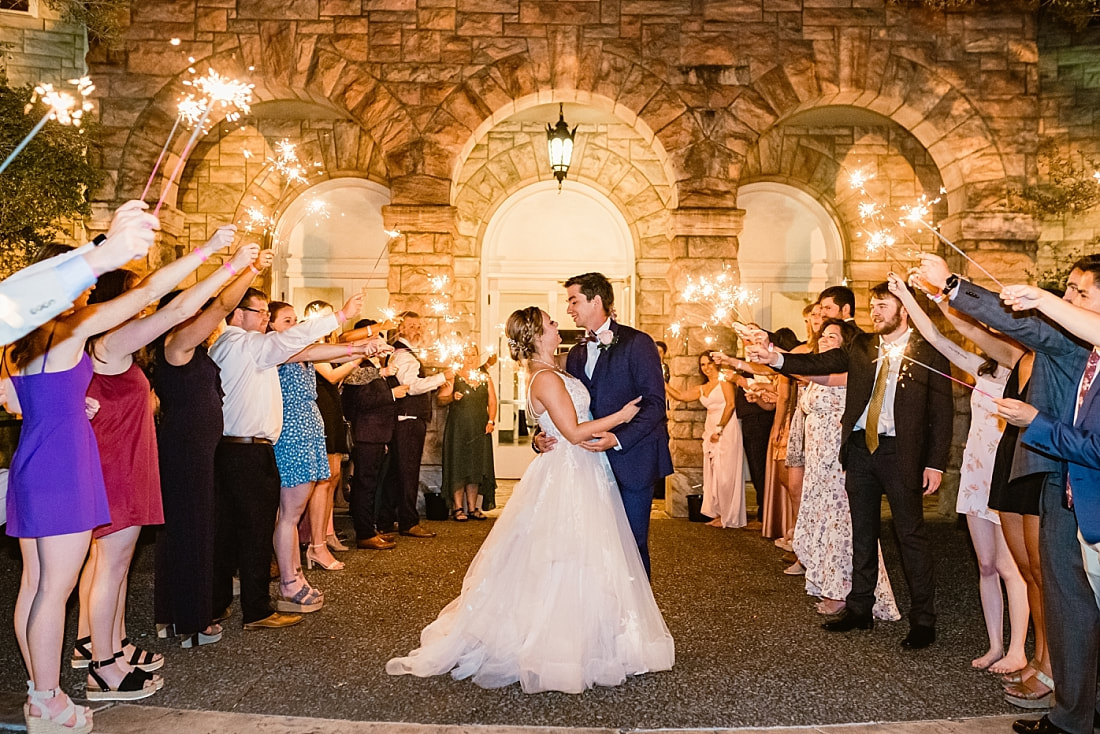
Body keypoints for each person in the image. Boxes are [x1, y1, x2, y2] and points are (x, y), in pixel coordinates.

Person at [386, 306, 674, 693]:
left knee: (590, 553)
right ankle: (561, 644)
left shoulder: (558, 367)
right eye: (552, 323)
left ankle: (599, 631)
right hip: (570, 473)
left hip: (584, 469)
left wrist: (541, 435)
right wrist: (621, 416)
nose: (560, 323)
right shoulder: (545, 376)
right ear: (538, 334)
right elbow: (572, 432)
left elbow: (550, 421)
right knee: (564, 554)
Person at [918, 253, 1098, 732]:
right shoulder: (1071, 341)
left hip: (1086, 484)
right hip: (1061, 487)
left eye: (1081, 292)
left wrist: (1035, 423)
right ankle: (1071, 718)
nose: (1067, 300)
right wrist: (950, 288)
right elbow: (1013, 325)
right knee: (1068, 607)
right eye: (1067, 289)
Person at [1, 203, 158, 734]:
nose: (86, 291)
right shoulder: (65, 333)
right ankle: (47, 703)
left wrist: (73, 403)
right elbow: (138, 303)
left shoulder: (16, 344)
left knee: (34, 585)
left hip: (31, 458)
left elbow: (18, 401)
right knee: (54, 590)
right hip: (62, 464)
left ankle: (37, 694)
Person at [70, 227, 243, 701]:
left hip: (121, 460)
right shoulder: (111, 342)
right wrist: (224, 263)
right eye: (133, 298)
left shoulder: (104, 343)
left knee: (112, 564)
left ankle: (109, 647)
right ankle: (103, 667)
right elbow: (178, 309)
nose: (141, 306)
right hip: (116, 465)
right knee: (112, 564)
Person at [747, 280, 953, 649]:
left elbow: (942, 411)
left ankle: (924, 620)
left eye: (883, 306)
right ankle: (860, 608)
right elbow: (820, 362)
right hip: (859, 447)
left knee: (910, 534)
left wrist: (935, 463)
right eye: (873, 306)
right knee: (862, 530)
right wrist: (776, 359)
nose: (874, 312)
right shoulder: (862, 345)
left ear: (904, 309)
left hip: (899, 451)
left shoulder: (927, 352)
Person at [208, 288, 380, 631]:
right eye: (259, 313)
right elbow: (300, 341)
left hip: (243, 447)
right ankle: (256, 610)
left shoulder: (244, 346)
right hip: (246, 448)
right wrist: (341, 317)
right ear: (238, 313)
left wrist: (356, 348)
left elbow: (309, 350)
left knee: (234, 529)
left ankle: (219, 602)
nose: (264, 320)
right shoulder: (244, 344)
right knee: (256, 530)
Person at [888, 273, 1030, 675]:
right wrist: (910, 295)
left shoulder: (1026, 372)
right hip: (975, 472)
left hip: (1005, 472)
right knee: (985, 564)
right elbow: (936, 337)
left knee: (1010, 566)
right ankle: (995, 645)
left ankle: (1019, 648)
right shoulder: (982, 368)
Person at [153, 248, 276, 649]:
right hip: (186, 450)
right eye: (197, 311)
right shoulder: (177, 344)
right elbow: (225, 303)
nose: (208, 318)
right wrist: (249, 267)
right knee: (191, 533)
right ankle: (190, 621)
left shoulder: (197, 350)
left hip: (203, 451)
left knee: (200, 532)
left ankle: (178, 614)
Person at [535, 272, 672, 577]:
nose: (569, 308)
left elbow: (654, 405)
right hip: (587, 468)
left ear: (596, 300)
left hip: (632, 458)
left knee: (632, 544)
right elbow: (567, 408)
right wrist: (539, 437)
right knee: (594, 546)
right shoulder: (575, 353)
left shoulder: (639, 343)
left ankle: (636, 622)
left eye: (574, 300)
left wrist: (617, 439)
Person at [268, 301, 391, 607]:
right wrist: (360, 347)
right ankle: (290, 579)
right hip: (292, 431)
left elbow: (327, 349)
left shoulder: (297, 346)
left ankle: (296, 571)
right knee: (289, 513)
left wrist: (364, 346)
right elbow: (322, 352)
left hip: (309, 428)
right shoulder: (278, 348)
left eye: (295, 320)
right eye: (286, 320)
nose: (294, 325)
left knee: (296, 509)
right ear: (270, 326)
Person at [792, 318, 900, 620]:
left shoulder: (847, 371)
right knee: (824, 524)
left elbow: (813, 374)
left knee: (842, 526)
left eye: (832, 336)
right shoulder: (819, 374)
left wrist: (772, 356)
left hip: (837, 460)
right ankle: (828, 583)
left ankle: (842, 592)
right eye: (822, 335)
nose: (825, 339)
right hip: (818, 464)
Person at [0, 200, 154, 345]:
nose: (93, 286)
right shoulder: (55, 335)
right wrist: (101, 258)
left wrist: (105, 241)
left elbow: (17, 286)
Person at [379, 312, 452, 539]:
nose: (417, 330)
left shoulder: (406, 354)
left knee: (396, 472)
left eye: (419, 326)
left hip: (406, 420)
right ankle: (408, 522)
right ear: (400, 329)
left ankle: (385, 519)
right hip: (408, 421)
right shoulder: (404, 356)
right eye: (412, 326)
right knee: (408, 472)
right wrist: (443, 377)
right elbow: (412, 387)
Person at [300, 300, 360, 561]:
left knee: (334, 476)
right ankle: (318, 538)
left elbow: (338, 359)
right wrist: (359, 358)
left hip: (332, 407)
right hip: (320, 407)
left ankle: (329, 531)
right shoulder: (309, 345)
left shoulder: (325, 346)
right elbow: (332, 375)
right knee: (324, 478)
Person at [341, 319, 407, 550]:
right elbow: (360, 401)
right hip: (366, 433)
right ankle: (364, 533)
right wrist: (392, 394)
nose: (380, 342)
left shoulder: (374, 365)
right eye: (376, 337)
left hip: (377, 434)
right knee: (365, 485)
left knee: (372, 484)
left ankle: (370, 528)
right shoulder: (358, 367)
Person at [665, 352, 745, 528]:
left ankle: (729, 516)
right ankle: (719, 513)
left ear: (715, 363)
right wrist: (662, 383)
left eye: (709, 363)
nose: (706, 367)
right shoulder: (703, 387)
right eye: (702, 365)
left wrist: (720, 428)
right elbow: (680, 396)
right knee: (714, 472)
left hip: (726, 428)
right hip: (710, 428)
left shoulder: (724, 381)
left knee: (726, 473)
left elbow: (731, 404)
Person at [437, 344, 497, 520]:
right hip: (459, 429)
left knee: (475, 467)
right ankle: (457, 508)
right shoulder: (454, 375)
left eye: (473, 355)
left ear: (477, 357)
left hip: (479, 427)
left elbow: (492, 401)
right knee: (458, 466)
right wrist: (451, 397)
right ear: (460, 357)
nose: (470, 358)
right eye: (466, 355)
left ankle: (472, 507)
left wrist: (491, 420)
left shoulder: (485, 377)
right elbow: (440, 399)